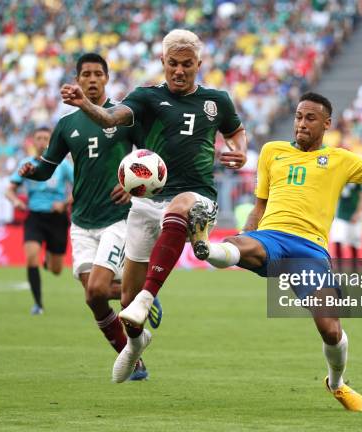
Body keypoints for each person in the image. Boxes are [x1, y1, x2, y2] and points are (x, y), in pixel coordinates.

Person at [188, 92, 362, 411]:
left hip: (310, 251)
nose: (302, 124)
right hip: (271, 237)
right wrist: (249, 233)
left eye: (310, 118)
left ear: (326, 124)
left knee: (330, 329)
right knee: (234, 245)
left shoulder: (340, 159)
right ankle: (205, 247)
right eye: (299, 117)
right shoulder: (272, 151)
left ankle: (336, 383)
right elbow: (260, 205)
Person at [60, 29, 248, 383]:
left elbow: (236, 131)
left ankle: (151, 293)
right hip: (146, 203)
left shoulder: (217, 100)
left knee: (179, 208)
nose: (179, 71)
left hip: (197, 195)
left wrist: (241, 149)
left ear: (199, 64)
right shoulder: (145, 97)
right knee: (126, 298)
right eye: (173, 64)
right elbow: (111, 119)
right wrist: (85, 104)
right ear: (163, 62)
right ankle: (135, 343)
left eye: (187, 65)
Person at [18, 53, 161, 381]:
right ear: (78, 80)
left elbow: (150, 157)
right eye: (86, 74)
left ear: (107, 79)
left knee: (97, 288)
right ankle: (137, 340)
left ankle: (140, 299)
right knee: (94, 297)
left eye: (98, 73)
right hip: (81, 221)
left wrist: (132, 186)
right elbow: (47, 168)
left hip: (118, 218)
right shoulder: (67, 125)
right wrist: (32, 171)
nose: (93, 79)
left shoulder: (123, 117)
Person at [7, 126, 73, 315]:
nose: (42, 142)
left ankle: (48, 260)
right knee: (30, 257)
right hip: (35, 216)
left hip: (57, 218)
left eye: (46, 138)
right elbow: (9, 189)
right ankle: (38, 304)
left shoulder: (62, 165)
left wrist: (65, 203)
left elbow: (81, 187)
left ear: (51, 142)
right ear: (33, 142)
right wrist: (15, 201)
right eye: (39, 138)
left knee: (56, 269)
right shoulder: (26, 164)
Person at [330, 182, 362, 272]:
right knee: (337, 241)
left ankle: (354, 271)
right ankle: (339, 271)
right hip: (340, 216)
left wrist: (358, 213)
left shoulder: (357, 182)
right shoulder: (340, 180)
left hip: (354, 218)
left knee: (354, 244)